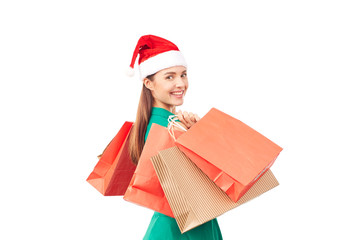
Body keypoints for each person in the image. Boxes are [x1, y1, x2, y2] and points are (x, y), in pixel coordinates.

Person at [127, 35, 223, 240]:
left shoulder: (163, 121)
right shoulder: (164, 127)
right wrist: (200, 136)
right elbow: (201, 184)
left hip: (183, 223)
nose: (180, 83)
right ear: (149, 83)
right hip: (183, 229)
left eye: (183, 74)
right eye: (169, 77)